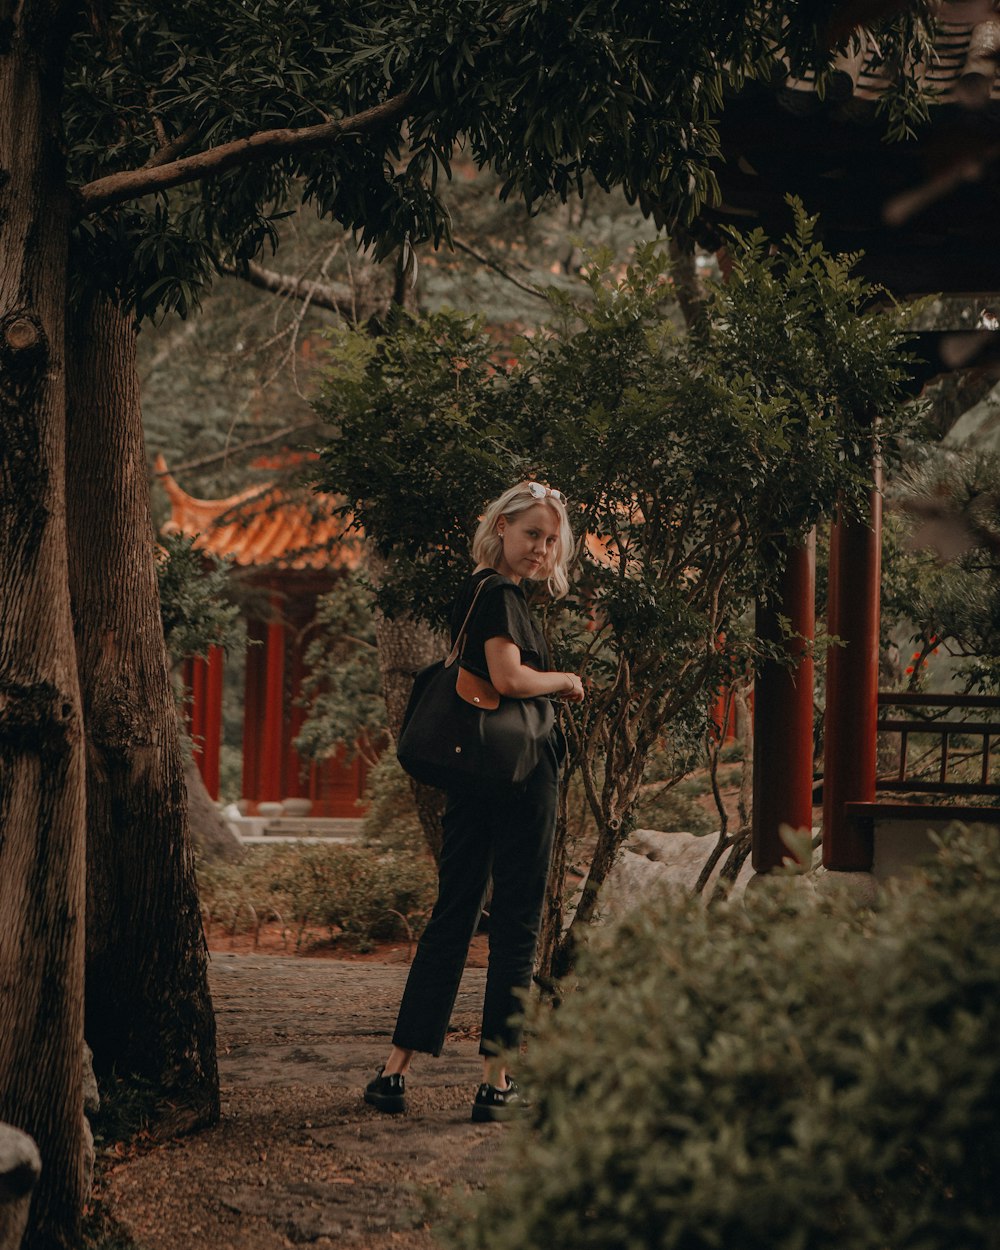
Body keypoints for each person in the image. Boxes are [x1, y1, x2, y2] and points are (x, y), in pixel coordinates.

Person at [364, 480, 585, 1122]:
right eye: (531, 535)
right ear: (501, 529)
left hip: (473, 771)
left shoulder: (474, 591)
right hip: (522, 772)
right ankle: (495, 1084)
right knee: (516, 918)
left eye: (550, 540)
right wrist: (566, 682)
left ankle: (394, 1073)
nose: (541, 549)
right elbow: (511, 678)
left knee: (453, 913)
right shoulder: (503, 594)